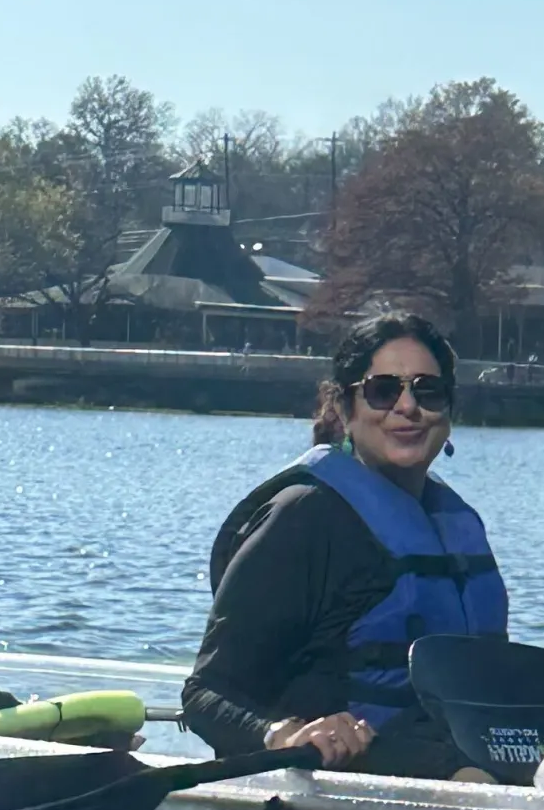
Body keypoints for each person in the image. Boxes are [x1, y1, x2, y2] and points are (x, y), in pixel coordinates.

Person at [181, 314, 506, 779]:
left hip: (459, 762)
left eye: (427, 391)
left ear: (449, 411)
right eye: (383, 390)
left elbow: (498, 686)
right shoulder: (304, 517)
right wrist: (284, 734)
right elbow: (206, 696)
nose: (407, 407)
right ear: (344, 407)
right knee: (481, 786)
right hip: (347, 781)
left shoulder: (455, 523)